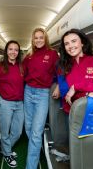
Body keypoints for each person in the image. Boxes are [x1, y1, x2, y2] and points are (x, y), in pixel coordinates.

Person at [52, 28, 93, 115]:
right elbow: (66, 94)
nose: (70, 46)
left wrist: (76, 87)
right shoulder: (61, 66)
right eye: (66, 44)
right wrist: (88, 94)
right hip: (73, 114)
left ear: (82, 43)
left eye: (74, 41)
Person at [23, 28, 59, 169]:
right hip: (28, 91)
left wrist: (59, 86)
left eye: (41, 37)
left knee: (36, 132)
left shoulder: (52, 54)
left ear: (45, 39)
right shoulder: (29, 55)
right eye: (36, 38)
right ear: (32, 40)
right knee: (28, 128)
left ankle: (30, 165)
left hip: (43, 94)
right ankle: (37, 148)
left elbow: (61, 71)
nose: (38, 40)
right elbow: (21, 73)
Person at [0, 40, 24, 168]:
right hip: (5, 104)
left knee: (18, 132)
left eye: (16, 50)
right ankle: (7, 153)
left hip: (20, 104)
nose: (13, 52)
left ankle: (4, 148)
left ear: (18, 52)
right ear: (6, 51)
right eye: (10, 49)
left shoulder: (22, 66)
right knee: (5, 131)